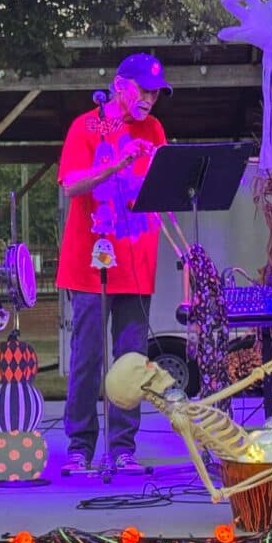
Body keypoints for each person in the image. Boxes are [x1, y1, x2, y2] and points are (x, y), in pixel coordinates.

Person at [55, 53, 172, 474]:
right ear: (120, 85)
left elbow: (162, 183)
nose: (150, 100)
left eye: (156, 94)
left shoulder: (154, 129)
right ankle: (80, 446)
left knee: (131, 362)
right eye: (144, 91)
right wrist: (116, 163)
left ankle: (123, 447)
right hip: (91, 264)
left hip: (137, 261)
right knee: (87, 357)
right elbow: (71, 185)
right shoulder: (86, 126)